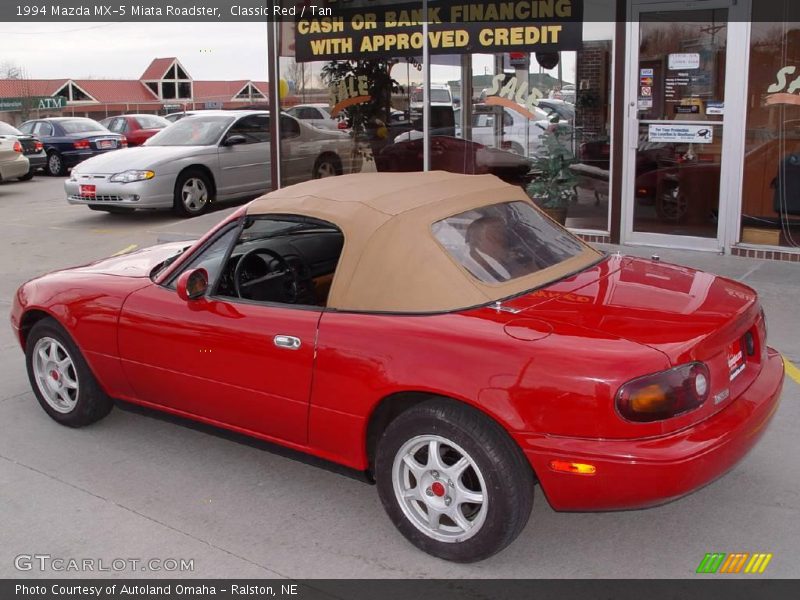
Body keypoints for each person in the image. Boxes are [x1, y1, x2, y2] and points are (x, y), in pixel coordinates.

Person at [465, 216, 531, 282]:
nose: (504, 240)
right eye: (494, 237)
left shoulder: (508, 260)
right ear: (477, 241)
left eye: (503, 234)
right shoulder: (470, 270)